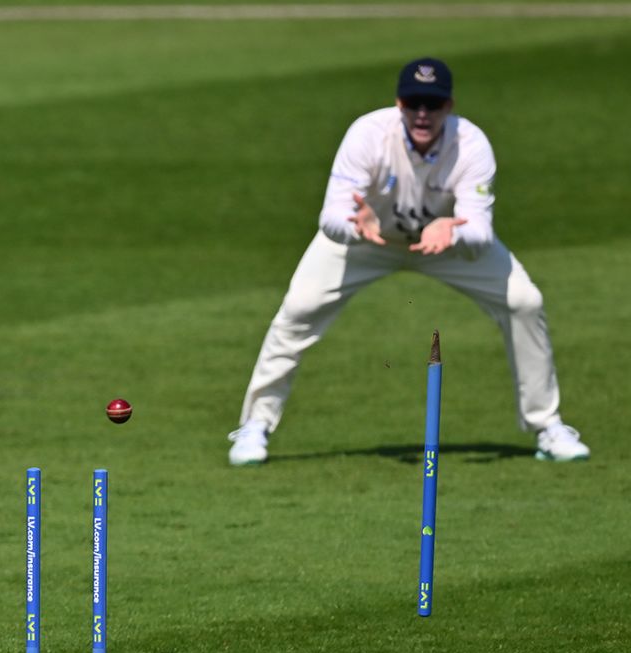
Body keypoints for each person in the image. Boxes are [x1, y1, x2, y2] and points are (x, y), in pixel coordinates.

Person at [228, 57, 590, 466]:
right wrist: (356, 227)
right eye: (414, 103)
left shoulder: (471, 145)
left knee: (525, 302)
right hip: (367, 241)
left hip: (444, 244)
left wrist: (450, 231)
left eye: (433, 104)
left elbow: (480, 235)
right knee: (298, 309)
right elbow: (330, 218)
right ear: (399, 103)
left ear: (448, 106)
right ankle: (254, 426)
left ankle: (547, 426)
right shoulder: (367, 134)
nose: (423, 113)